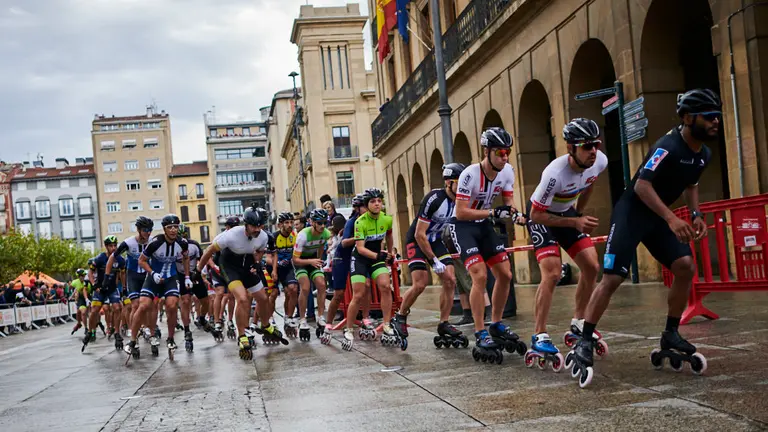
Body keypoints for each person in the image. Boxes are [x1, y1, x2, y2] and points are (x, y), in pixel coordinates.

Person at [567, 89, 718, 388]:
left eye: (717, 116)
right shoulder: (667, 147)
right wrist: (672, 218)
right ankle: (584, 338)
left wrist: (696, 214)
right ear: (689, 118)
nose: (715, 121)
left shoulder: (703, 153)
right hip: (632, 213)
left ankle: (670, 333)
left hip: (657, 218)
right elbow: (642, 187)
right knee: (612, 278)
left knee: (685, 266)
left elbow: (691, 184)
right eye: (709, 116)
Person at [524, 118, 609, 371]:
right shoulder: (554, 174)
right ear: (571, 148)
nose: (593, 151)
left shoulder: (599, 161)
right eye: (587, 146)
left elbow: (589, 185)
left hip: (567, 213)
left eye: (596, 144)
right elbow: (535, 215)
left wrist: (578, 214)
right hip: (542, 218)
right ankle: (539, 334)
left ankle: (579, 322)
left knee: (592, 267)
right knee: (552, 273)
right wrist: (575, 222)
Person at [448, 127, 527, 363]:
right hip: (463, 227)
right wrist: (493, 212)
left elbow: (508, 202)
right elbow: (461, 212)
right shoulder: (470, 175)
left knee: (505, 274)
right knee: (480, 276)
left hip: (483, 225)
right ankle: (480, 330)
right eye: (500, 153)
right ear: (487, 152)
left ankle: (496, 324)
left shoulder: (507, 171)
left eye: (508, 152)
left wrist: (515, 215)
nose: (505, 157)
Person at [391, 163, 468, 350]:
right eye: (460, 182)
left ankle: (444, 323)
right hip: (417, 239)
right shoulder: (434, 199)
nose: (464, 187)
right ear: (449, 183)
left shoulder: (461, 201)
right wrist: (433, 261)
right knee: (420, 283)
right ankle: (400, 316)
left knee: (450, 280)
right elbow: (420, 234)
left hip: (435, 240)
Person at [197, 207, 284, 360]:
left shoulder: (263, 236)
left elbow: (260, 250)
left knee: (263, 298)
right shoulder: (231, 235)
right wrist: (198, 271)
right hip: (229, 266)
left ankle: (265, 325)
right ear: (246, 224)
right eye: (254, 226)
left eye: (260, 226)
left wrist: (257, 262)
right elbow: (209, 251)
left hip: (247, 265)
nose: (257, 229)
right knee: (243, 299)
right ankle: (242, 335)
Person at [128, 214, 190, 359]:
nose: (173, 230)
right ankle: (132, 340)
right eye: (170, 227)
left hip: (170, 277)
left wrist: (187, 276)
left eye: (176, 227)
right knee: (143, 306)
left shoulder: (182, 243)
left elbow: (186, 257)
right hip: (153, 278)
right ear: (164, 229)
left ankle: (170, 338)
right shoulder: (155, 242)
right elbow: (141, 261)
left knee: (172, 306)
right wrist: (152, 273)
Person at [342, 188, 396, 351]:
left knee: (385, 286)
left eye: (379, 201)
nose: (377, 204)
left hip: (376, 258)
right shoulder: (360, 222)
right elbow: (360, 248)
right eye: (373, 201)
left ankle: (386, 324)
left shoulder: (387, 219)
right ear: (366, 205)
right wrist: (378, 255)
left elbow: (389, 235)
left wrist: (391, 252)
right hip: (360, 258)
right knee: (358, 294)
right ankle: (349, 329)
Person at [321, 193, 376, 344]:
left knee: (366, 285)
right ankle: (328, 324)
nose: (369, 208)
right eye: (365, 206)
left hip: (357, 258)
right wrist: (359, 238)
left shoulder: (371, 221)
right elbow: (344, 242)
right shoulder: (352, 222)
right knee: (339, 294)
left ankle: (365, 318)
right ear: (358, 209)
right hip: (342, 258)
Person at [106, 216, 154, 342]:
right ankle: (134, 332)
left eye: (150, 230)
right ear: (138, 230)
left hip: (146, 276)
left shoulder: (152, 242)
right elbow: (112, 257)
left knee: (147, 305)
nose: (148, 233)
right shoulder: (128, 243)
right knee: (135, 305)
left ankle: (146, 328)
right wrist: (106, 276)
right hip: (133, 276)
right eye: (145, 230)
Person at [292, 208, 331, 341]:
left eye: (325, 223)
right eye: (319, 223)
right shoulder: (303, 235)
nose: (322, 226)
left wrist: (318, 260)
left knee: (321, 285)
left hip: (313, 261)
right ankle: (303, 319)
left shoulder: (325, 233)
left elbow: (320, 246)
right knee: (305, 288)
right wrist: (311, 261)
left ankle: (320, 316)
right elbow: (295, 259)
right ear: (312, 223)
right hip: (301, 262)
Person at [82, 236, 126, 351]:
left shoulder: (120, 259)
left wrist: (124, 287)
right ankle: (90, 331)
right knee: (94, 310)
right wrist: (94, 285)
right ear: (106, 247)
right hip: (100, 289)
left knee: (117, 308)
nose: (113, 248)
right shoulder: (100, 258)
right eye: (111, 246)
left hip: (112, 288)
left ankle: (117, 333)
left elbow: (122, 274)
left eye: (115, 245)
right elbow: (90, 272)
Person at [176, 223, 210, 353]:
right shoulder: (172, 247)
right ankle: (187, 330)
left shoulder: (194, 245)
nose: (182, 238)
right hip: (180, 275)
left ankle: (201, 318)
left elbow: (202, 259)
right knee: (185, 301)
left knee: (205, 301)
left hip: (195, 274)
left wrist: (200, 272)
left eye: (184, 235)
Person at [206, 216, 240, 342]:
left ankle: (230, 320)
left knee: (231, 295)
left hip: (230, 270)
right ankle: (217, 321)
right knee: (219, 293)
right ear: (227, 227)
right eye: (232, 227)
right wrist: (213, 266)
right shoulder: (220, 238)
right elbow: (207, 254)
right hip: (218, 270)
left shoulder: (240, 238)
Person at [273, 212, 300, 338]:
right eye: (287, 223)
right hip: (274, 267)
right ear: (280, 225)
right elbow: (268, 257)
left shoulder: (295, 236)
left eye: (291, 222)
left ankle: (288, 317)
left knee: (293, 290)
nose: (290, 225)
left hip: (288, 267)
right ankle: (269, 321)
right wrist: (277, 264)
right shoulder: (274, 237)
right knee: (272, 295)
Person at [70, 269, 92, 335]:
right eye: (81, 276)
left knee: (90, 312)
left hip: (89, 297)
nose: (82, 277)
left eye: (83, 275)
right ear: (78, 276)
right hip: (81, 298)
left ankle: (94, 325)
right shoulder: (75, 282)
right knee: (83, 312)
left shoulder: (88, 282)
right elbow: (70, 287)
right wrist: (71, 295)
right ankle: (85, 327)